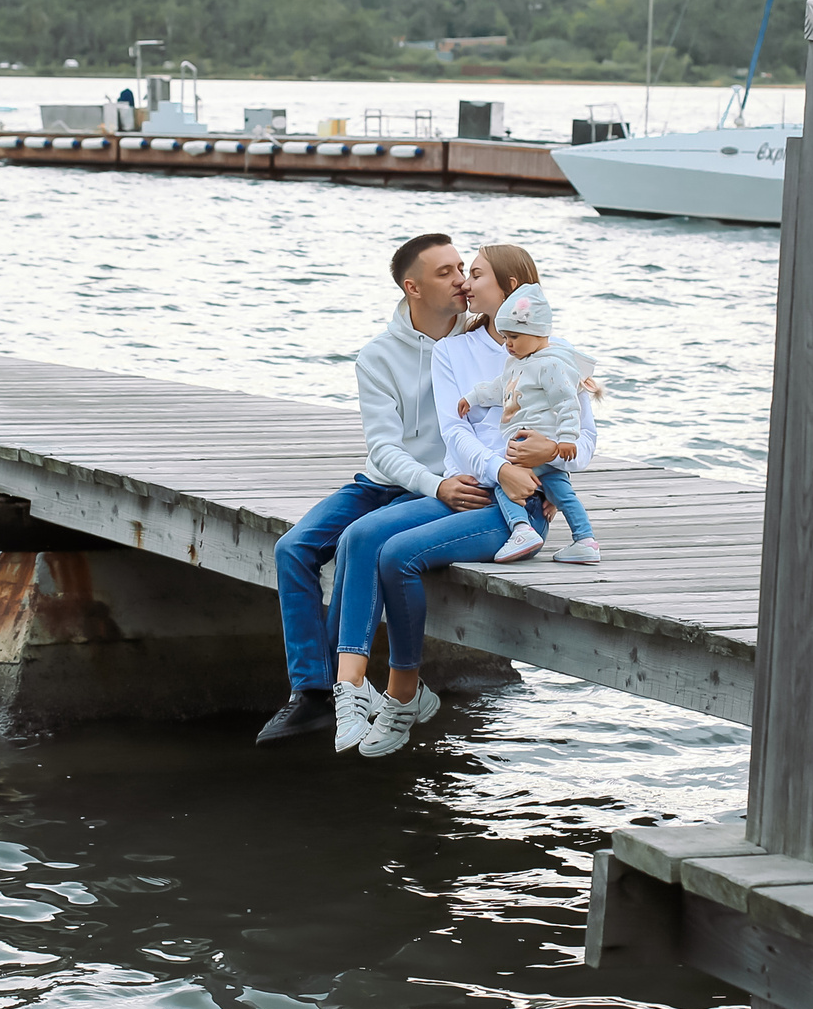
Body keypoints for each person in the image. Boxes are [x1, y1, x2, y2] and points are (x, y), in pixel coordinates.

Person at [327, 244, 597, 758]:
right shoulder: (454, 350)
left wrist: (550, 454)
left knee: (397, 555)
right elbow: (455, 432)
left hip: (521, 513)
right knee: (361, 535)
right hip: (474, 488)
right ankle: (350, 689)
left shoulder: (555, 354)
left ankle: (403, 694)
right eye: (463, 275)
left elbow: (583, 444)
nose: (466, 285)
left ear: (512, 288)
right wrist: (501, 469)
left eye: (475, 275)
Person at [254, 233, 491, 746]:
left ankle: (349, 687)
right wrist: (437, 484)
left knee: (354, 541)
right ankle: (311, 695)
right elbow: (384, 450)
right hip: (391, 482)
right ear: (414, 288)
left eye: (462, 269)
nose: (461, 281)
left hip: (435, 491)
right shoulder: (379, 356)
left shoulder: (480, 340)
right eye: (445, 273)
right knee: (292, 548)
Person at [458, 283, 601, 565]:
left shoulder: (551, 365)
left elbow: (566, 402)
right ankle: (585, 540)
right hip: (544, 449)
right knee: (562, 493)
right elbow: (500, 388)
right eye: (505, 337)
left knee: (504, 482)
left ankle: (521, 529)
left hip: (532, 441)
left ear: (538, 333)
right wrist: (473, 397)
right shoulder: (518, 363)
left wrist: (567, 439)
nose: (508, 344)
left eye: (514, 336)